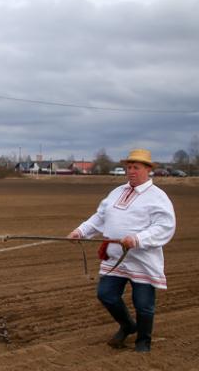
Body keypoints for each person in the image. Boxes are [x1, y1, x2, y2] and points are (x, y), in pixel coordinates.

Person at [67, 149, 175, 353]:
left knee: (143, 304)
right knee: (105, 294)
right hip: (115, 257)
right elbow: (100, 217)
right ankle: (128, 326)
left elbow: (165, 227)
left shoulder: (158, 197)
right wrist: (81, 231)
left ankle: (143, 341)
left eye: (136, 167)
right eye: (128, 167)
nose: (131, 171)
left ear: (148, 169)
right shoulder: (116, 192)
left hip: (142, 260)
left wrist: (137, 239)